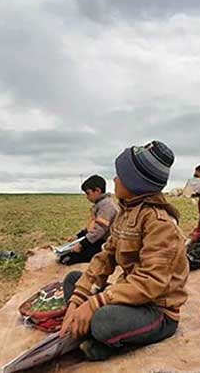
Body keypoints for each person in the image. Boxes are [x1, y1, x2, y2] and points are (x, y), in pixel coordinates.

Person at [59, 141, 189, 361]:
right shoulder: (124, 212)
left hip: (156, 310)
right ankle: (89, 331)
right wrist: (79, 298)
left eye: (120, 175)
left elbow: (150, 283)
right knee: (74, 280)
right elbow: (105, 257)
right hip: (130, 299)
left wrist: (96, 302)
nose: (115, 180)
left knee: (103, 320)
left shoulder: (160, 223)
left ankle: (101, 336)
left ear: (135, 183)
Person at [59, 175, 119, 265]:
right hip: (100, 240)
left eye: (88, 193)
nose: (87, 197)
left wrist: (81, 244)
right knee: (67, 254)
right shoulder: (101, 204)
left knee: (69, 258)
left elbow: (98, 231)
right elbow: (92, 227)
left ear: (97, 191)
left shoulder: (107, 206)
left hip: (107, 243)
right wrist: (78, 237)